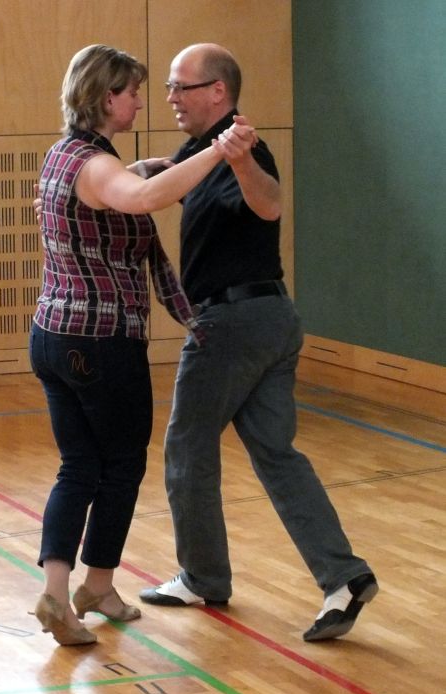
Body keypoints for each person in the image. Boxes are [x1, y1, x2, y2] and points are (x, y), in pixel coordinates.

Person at [137, 43, 378, 642]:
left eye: (181, 86)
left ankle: (203, 577)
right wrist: (106, 173)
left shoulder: (245, 148)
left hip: (233, 323)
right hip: (270, 320)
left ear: (218, 91)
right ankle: (344, 576)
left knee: (187, 447)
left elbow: (268, 204)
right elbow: (159, 176)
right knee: (276, 453)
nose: (171, 97)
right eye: (168, 86)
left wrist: (243, 162)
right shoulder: (202, 150)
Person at [29, 43, 256, 646]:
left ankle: (67, 591)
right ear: (108, 98)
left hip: (52, 336)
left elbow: (118, 190)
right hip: (101, 341)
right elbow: (140, 199)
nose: (141, 101)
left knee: (79, 465)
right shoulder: (97, 166)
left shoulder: (65, 154)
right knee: (122, 465)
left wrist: (146, 167)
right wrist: (219, 150)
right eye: (132, 92)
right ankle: (89, 585)